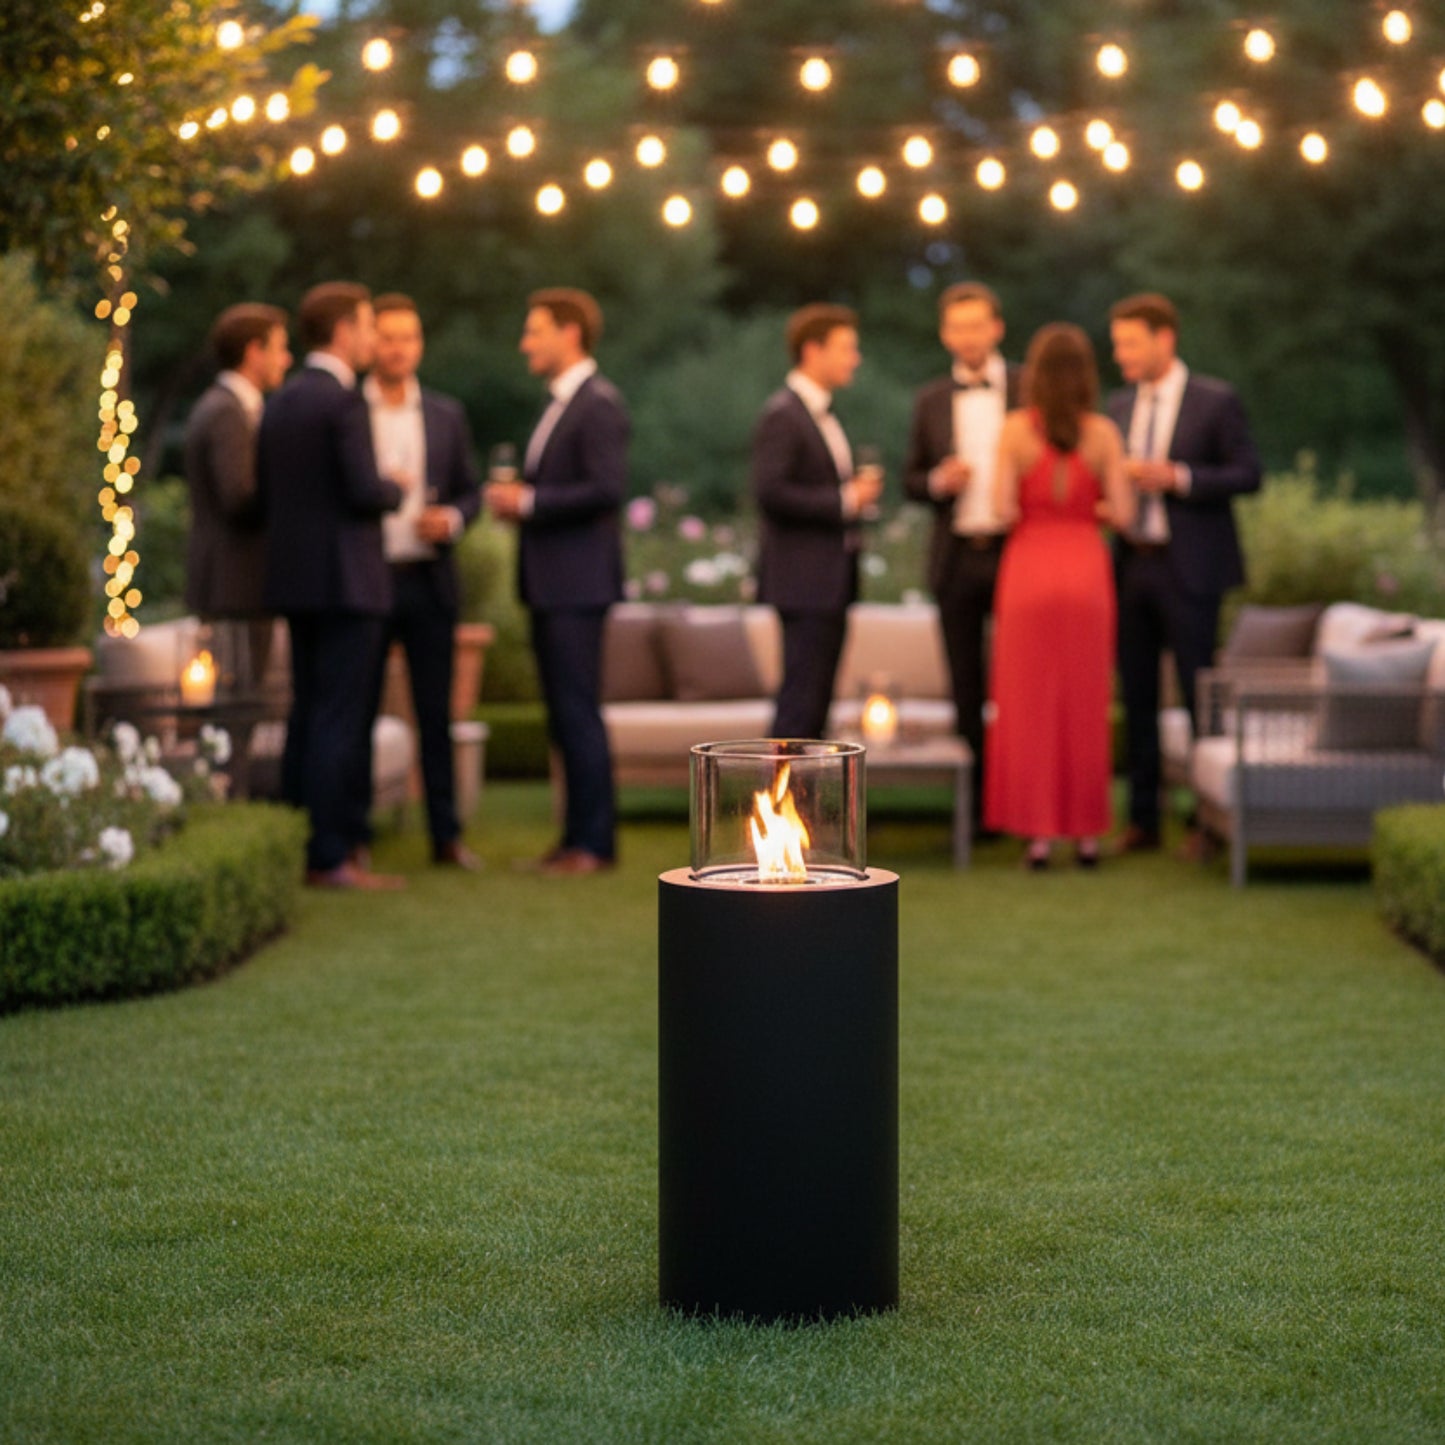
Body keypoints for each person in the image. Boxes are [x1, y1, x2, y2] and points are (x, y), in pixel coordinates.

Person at [257, 281, 409, 890]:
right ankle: (330, 855)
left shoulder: (282, 400)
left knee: (305, 713)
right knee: (339, 721)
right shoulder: (344, 401)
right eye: (370, 326)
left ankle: (293, 844)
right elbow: (363, 491)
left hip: (295, 583)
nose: (373, 339)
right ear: (344, 330)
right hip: (347, 585)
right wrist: (395, 484)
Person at [1107, 293, 1262, 853]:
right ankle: (1143, 820)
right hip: (1131, 566)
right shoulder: (1118, 407)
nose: (1120, 353)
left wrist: (1178, 477)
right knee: (1138, 697)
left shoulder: (1216, 401)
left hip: (1191, 568)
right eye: (1117, 342)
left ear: (1164, 339)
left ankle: (1207, 821)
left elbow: (1248, 474)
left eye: (1129, 342)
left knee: (1200, 697)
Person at [487, 288, 627, 876]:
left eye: (534, 331)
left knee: (578, 712)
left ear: (569, 333)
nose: (525, 344)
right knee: (563, 716)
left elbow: (605, 488)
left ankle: (593, 844)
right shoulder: (559, 403)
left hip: (577, 583)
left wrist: (530, 501)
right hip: (552, 583)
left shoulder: (599, 404)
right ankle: (574, 839)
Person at [983, 323, 1135, 869]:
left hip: (1028, 571)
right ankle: (1088, 836)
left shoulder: (1015, 432)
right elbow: (1124, 515)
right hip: (1086, 572)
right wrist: (1085, 512)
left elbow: (1002, 508)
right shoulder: (1103, 434)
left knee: (1029, 706)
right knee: (1086, 703)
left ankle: (1039, 835)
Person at [357, 294, 483, 871]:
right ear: (370, 343)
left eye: (408, 337)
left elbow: (469, 491)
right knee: (357, 710)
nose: (398, 347)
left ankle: (446, 837)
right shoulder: (348, 411)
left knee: (436, 714)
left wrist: (452, 520)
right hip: (365, 580)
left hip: (430, 580)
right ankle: (353, 835)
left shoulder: (445, 413)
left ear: (420, 344)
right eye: (387, 337)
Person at [903, 282, 1023, 818]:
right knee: (965, 683)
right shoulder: (929, 398)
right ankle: (973, 812)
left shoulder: (1028, 388)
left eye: (977, 325)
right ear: (945, 333)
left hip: (1017, 553)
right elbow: (909, 479)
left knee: (1019, 681)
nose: (967, 337)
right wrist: (936, 482)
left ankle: (1017, 802)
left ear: (996, 328)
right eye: (957, 327)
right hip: (955, 558)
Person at [752, 303, 883, 740]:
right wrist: (845, 499)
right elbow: (770, 492)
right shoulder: (783, 414)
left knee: (815, 702)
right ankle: (775, 803)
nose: (855, 358)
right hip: (803, 581)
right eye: (847, 348)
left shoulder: (819, 413)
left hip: (828, 581)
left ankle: (799, 805)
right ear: (813, 350)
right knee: (800, 702)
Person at [182, 302, 292, 696]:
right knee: (238, 705)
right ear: (253, 351)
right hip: (235, 584)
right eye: (279, 348)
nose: (287, 359)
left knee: (238, 702)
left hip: (233, 583)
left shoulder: (226, 406)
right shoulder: (228, 412)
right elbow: (239, 497)